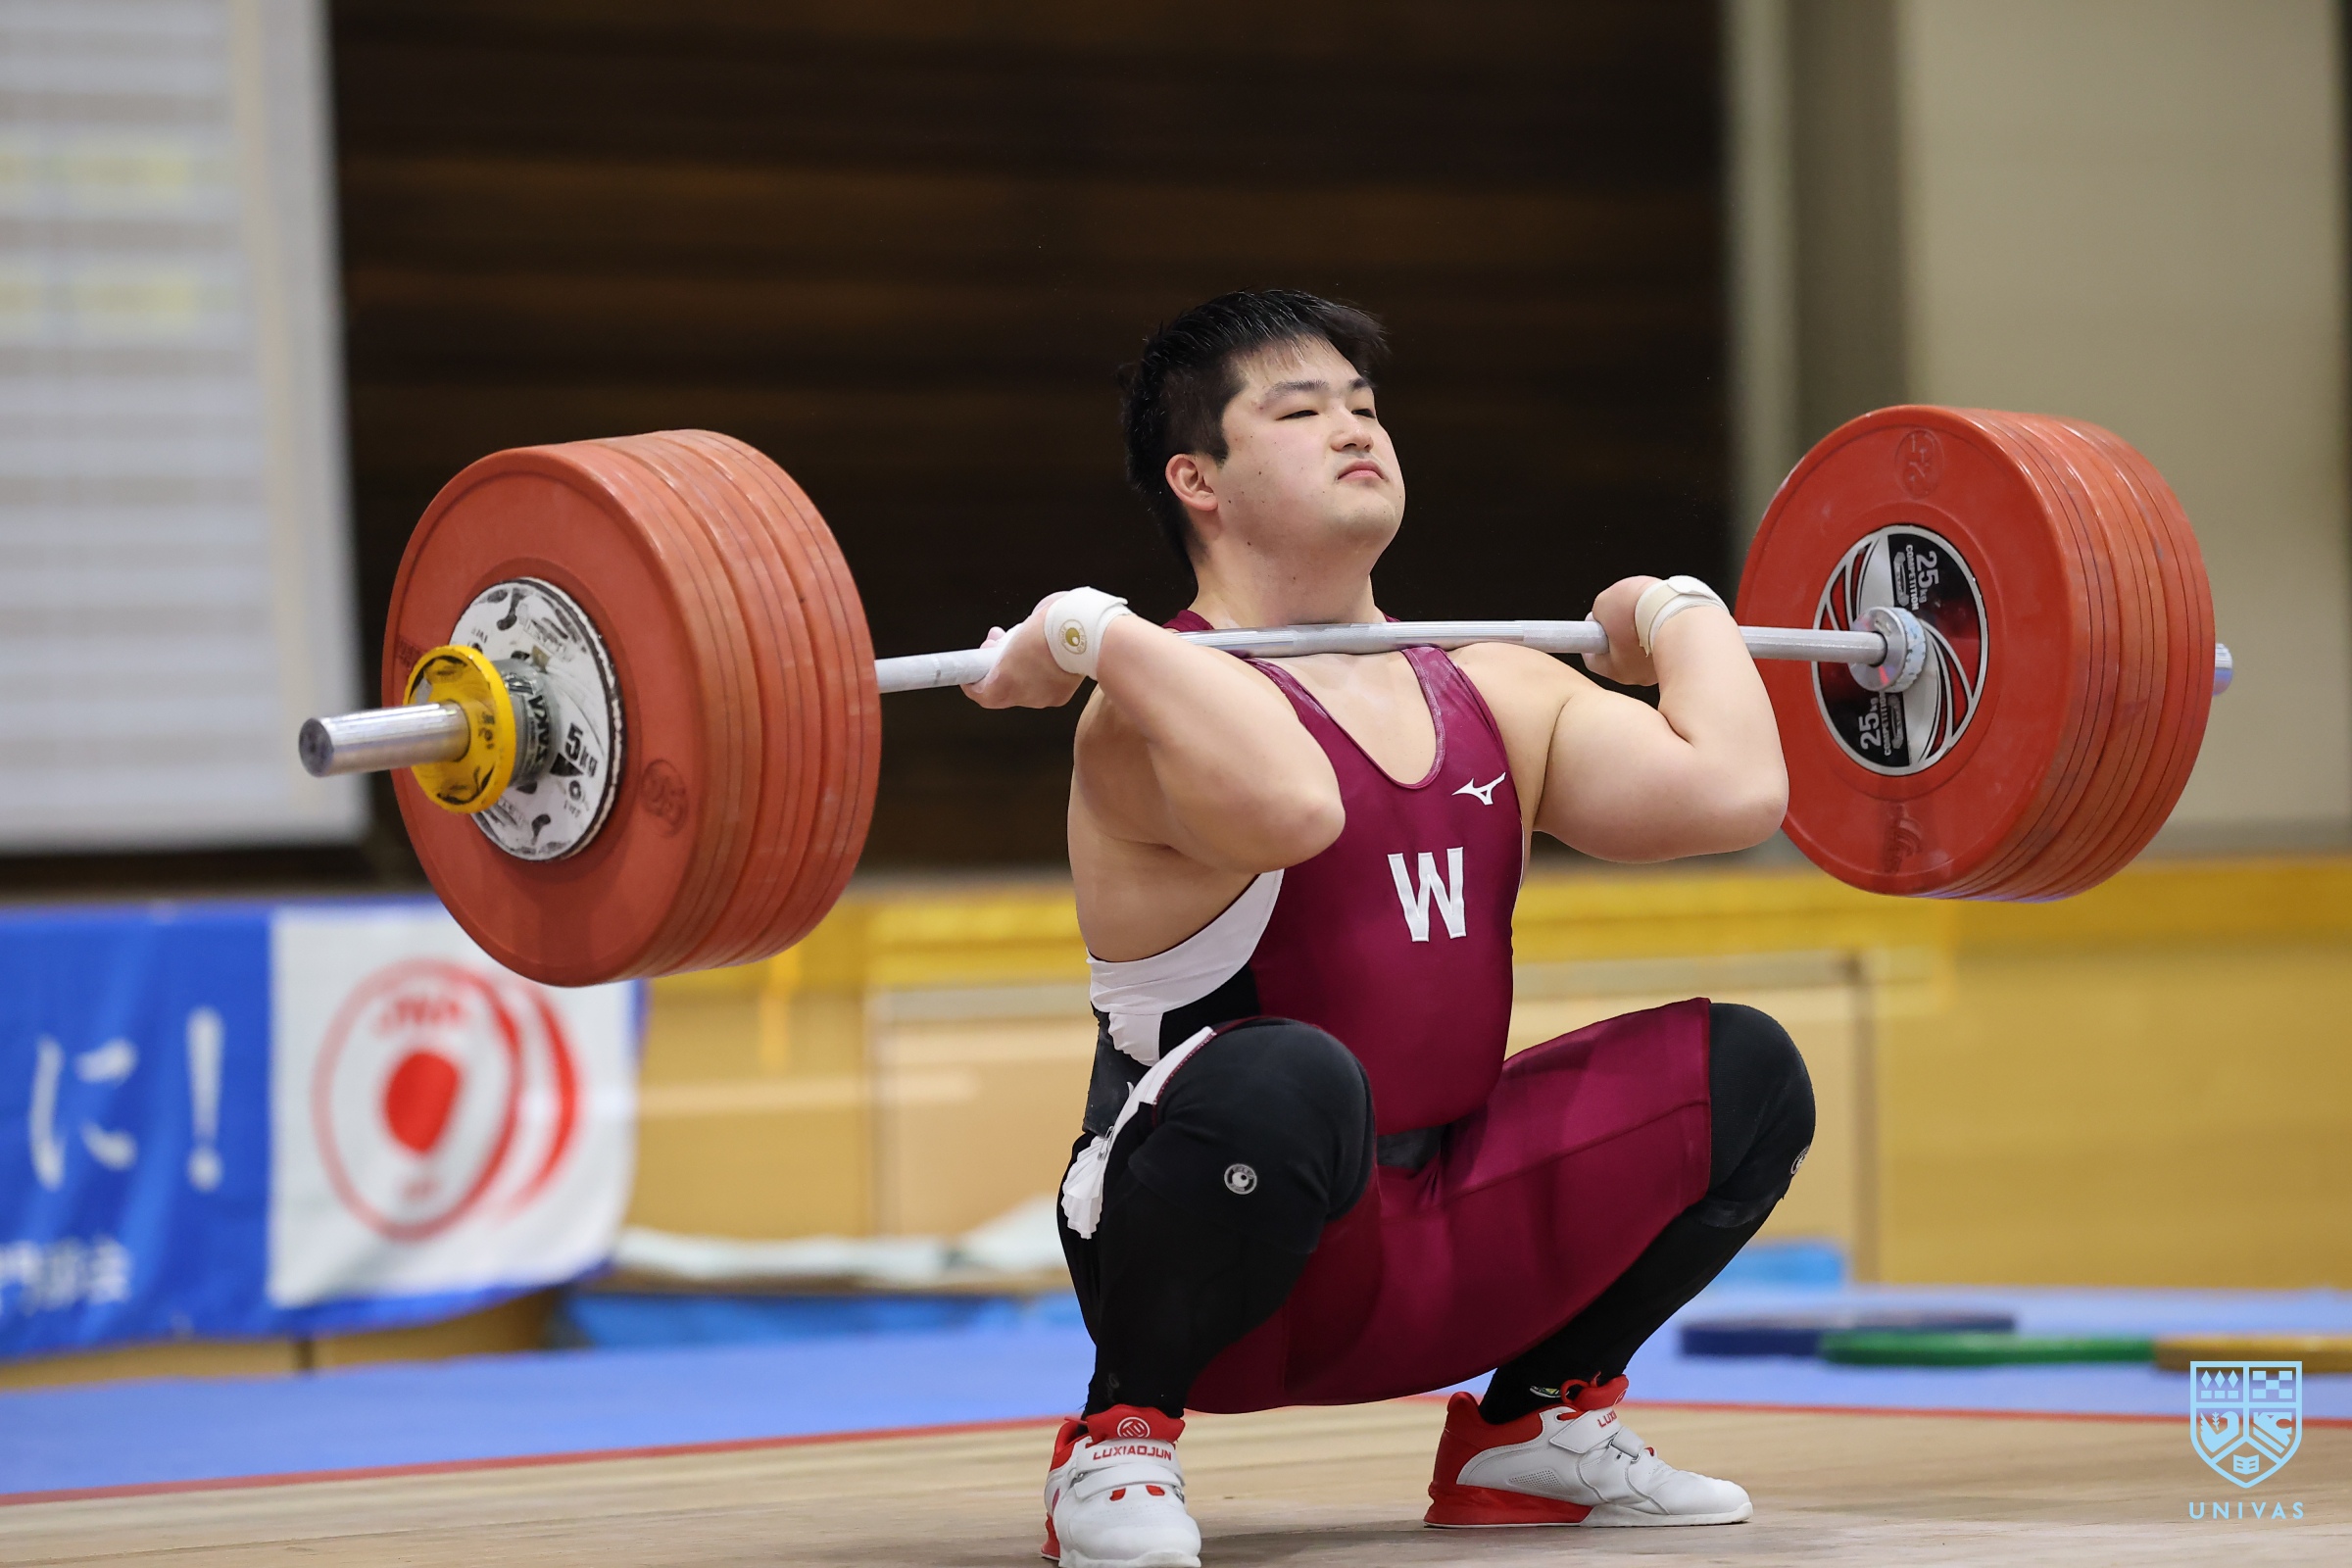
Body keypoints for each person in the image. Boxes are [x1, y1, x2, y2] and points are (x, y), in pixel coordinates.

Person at [965, 290, 1814, 1568]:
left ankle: (1533, 1431)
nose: (1355, 429)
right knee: (1288, 1074)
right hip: (1227, 1275)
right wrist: (1104, 636)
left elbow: (1735, 791)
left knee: (1744, 1073)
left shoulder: (1495, 684)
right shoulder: (1143, 712)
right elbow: (1295, 804)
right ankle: (1118, 1438)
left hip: (1444, 1240)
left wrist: (1678, 606)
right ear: (1197, 478)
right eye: (1300, 411)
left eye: (1363, 406)